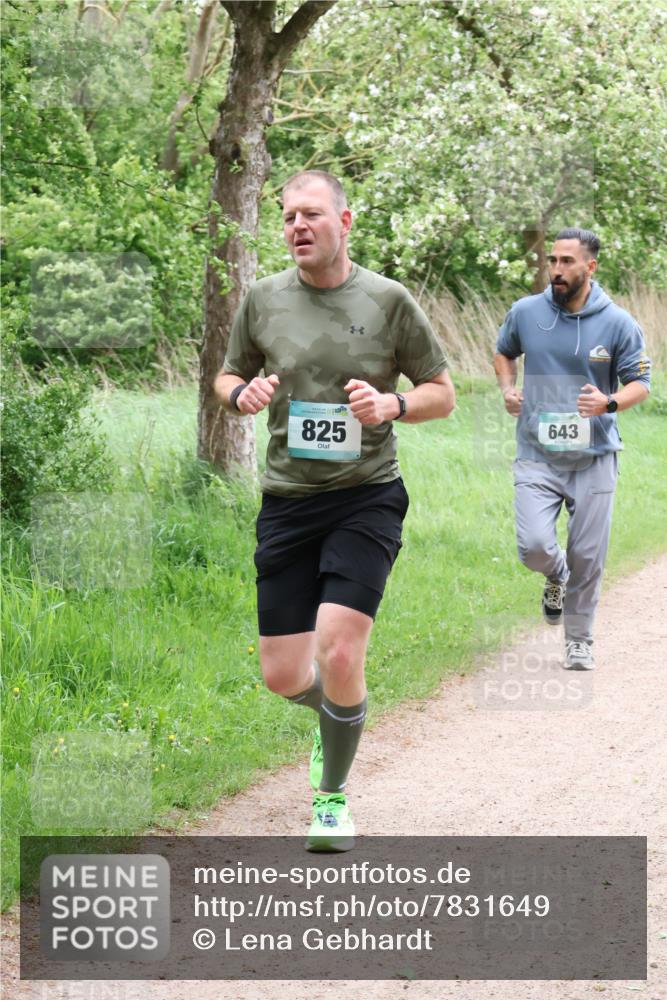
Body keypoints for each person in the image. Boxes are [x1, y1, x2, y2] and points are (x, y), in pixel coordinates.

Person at [215, 170, 455, 851]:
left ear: (343, 223)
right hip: (287, 502)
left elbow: (442, 390)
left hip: (366, 495)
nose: (297, 226)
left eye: (311, 215)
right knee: (282, 674)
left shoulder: (387, 300)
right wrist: (241, 397)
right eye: (288, 216)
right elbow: (226, 373)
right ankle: (338, 723)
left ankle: (330, 798)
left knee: (341, 650)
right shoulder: (262, 300)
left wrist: (392, 405)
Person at [494, 227, 651, 670]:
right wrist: (508, 388)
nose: (556, 270)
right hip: (537, 452)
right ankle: (555, 576)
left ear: (590, 267)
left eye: (567, 262)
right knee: (534, 546)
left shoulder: (618, 322)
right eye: (553, 261)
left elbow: (641, 383)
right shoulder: (526, 312)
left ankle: (578, 640)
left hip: (595, 457)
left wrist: (609, 402)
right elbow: (504, 352)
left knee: (588, 555)